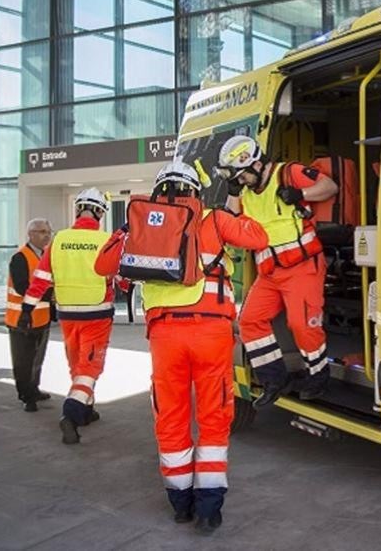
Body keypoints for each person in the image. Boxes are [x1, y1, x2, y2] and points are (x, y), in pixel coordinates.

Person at [95, 161, 268, 533]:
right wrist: (234, 208)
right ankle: (209, 507)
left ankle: (180, 503)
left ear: (159, 191)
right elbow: (258, 239)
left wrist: (127, 228)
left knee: (171, 417)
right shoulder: (213, 220)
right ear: (196, 191)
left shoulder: (140, 225)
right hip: (212, 335)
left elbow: (102, 265)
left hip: (165, 337)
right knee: (214, 417)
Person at [217, 135, 338, 404]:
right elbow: (231, 222)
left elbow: (329, 187)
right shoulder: (246, 192)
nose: (241, 181)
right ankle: (275, 379)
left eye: (242, 176)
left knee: (301, 323)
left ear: (256, 165)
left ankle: (318, 375)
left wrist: (301, 194)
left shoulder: (288, 173)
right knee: (249, 321)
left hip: (303, 267)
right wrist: (233, 192)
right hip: (270, 273)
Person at [21, 188, 117, 445]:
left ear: (77, 210)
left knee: (76, 363)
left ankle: (87, 409)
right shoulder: (106, 240)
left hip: (67, 314)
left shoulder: (59, 240)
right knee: (89, 367)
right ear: (99, 212)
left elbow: (41, 278)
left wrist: (27, 309)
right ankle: (71, 414)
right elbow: (119, 276)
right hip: (96, 313)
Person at [6, 219, 55, 412]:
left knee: (37, 359)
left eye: (48, 232)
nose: (47, 235)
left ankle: (33, 388)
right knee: (23, 360)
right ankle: (26, 395)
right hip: (21, 319)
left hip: (41, 318)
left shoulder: (45, 257)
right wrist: (50, 296)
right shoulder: (20, 257)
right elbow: (22, 287)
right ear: (31, 234)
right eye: (42, 232)